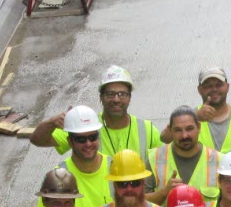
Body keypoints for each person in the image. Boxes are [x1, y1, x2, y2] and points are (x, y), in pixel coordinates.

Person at [31, 65, 161, 156]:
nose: (116, 99)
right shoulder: (84, 125)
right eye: (110, 94)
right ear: (101, 97)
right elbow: (38, 140)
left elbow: (166, 162)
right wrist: (51, 123)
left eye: (122, 94)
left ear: (129, 98)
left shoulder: (147, 130)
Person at [32, 106, 112, 207]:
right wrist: (52, 122)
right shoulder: (58, 177)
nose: (88, 144)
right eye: (81, 139)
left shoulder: (115, 167)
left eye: (92, 137)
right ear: (70, 142)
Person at [145, 105, 222, 204]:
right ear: (170, 130)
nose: (184, 135)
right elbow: (141, 202)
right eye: (178, 130)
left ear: (198, 127)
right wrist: (164, 192)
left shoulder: (220, 161)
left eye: (189, 129)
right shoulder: (153, 159)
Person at [166, 67, 231, 154]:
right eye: (208, 86)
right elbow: (164, 138)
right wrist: (194, 117)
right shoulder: (191, 117)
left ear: (227, 87)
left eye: (219, 85)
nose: (214, 89)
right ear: (199, 90)